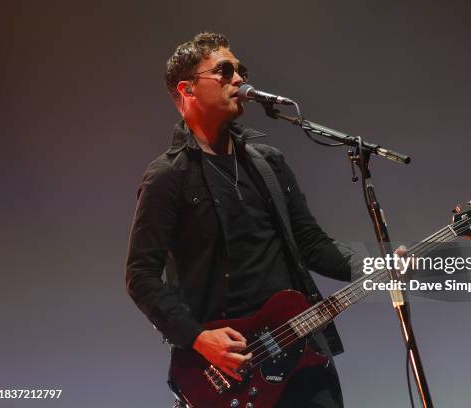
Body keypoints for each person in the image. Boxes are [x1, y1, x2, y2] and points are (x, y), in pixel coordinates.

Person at [125, 32, 360, 407]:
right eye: (224, 70)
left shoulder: (268, 162)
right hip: (231, 373)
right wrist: (198, 338)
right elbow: (140, 275)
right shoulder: (168, 176)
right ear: (187, 89)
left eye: (240, 70)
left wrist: (380, 263)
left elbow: (313, 245)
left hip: (302, 358)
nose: (239, 79)